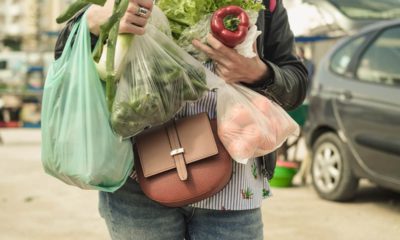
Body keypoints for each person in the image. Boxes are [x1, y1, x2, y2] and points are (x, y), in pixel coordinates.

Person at [54, 0, 308, 239]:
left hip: (233, 187)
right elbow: (64, 53)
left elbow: (296, 79)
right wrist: (93, 22)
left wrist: (260, 73)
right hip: (137, 181)